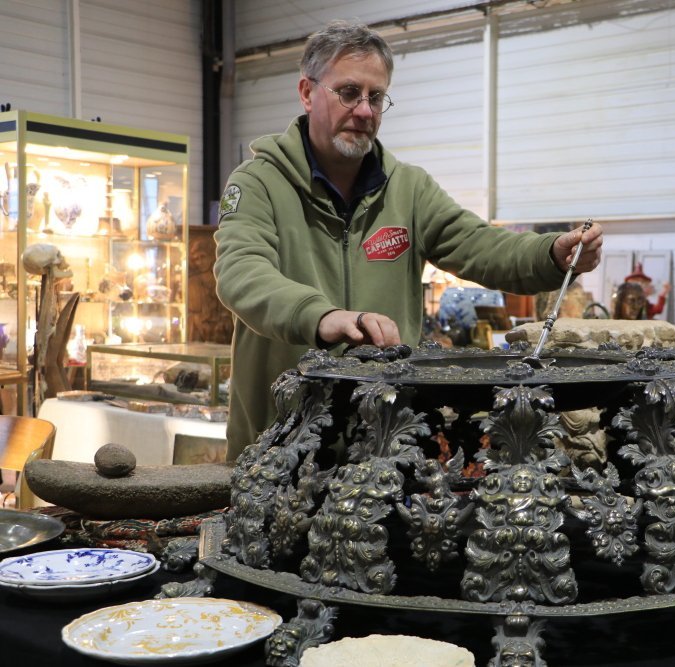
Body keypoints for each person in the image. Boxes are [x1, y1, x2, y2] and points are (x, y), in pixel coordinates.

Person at [214, 20, 603, 460]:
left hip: (384, 449)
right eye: (349, 93)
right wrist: (321, 316)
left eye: (376, 97)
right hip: (277, 451)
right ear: (307, 92)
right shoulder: (258, 183)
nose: (364, 111)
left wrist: (550, 253)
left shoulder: (409, 190)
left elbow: (481, 246)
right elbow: (241, 272)